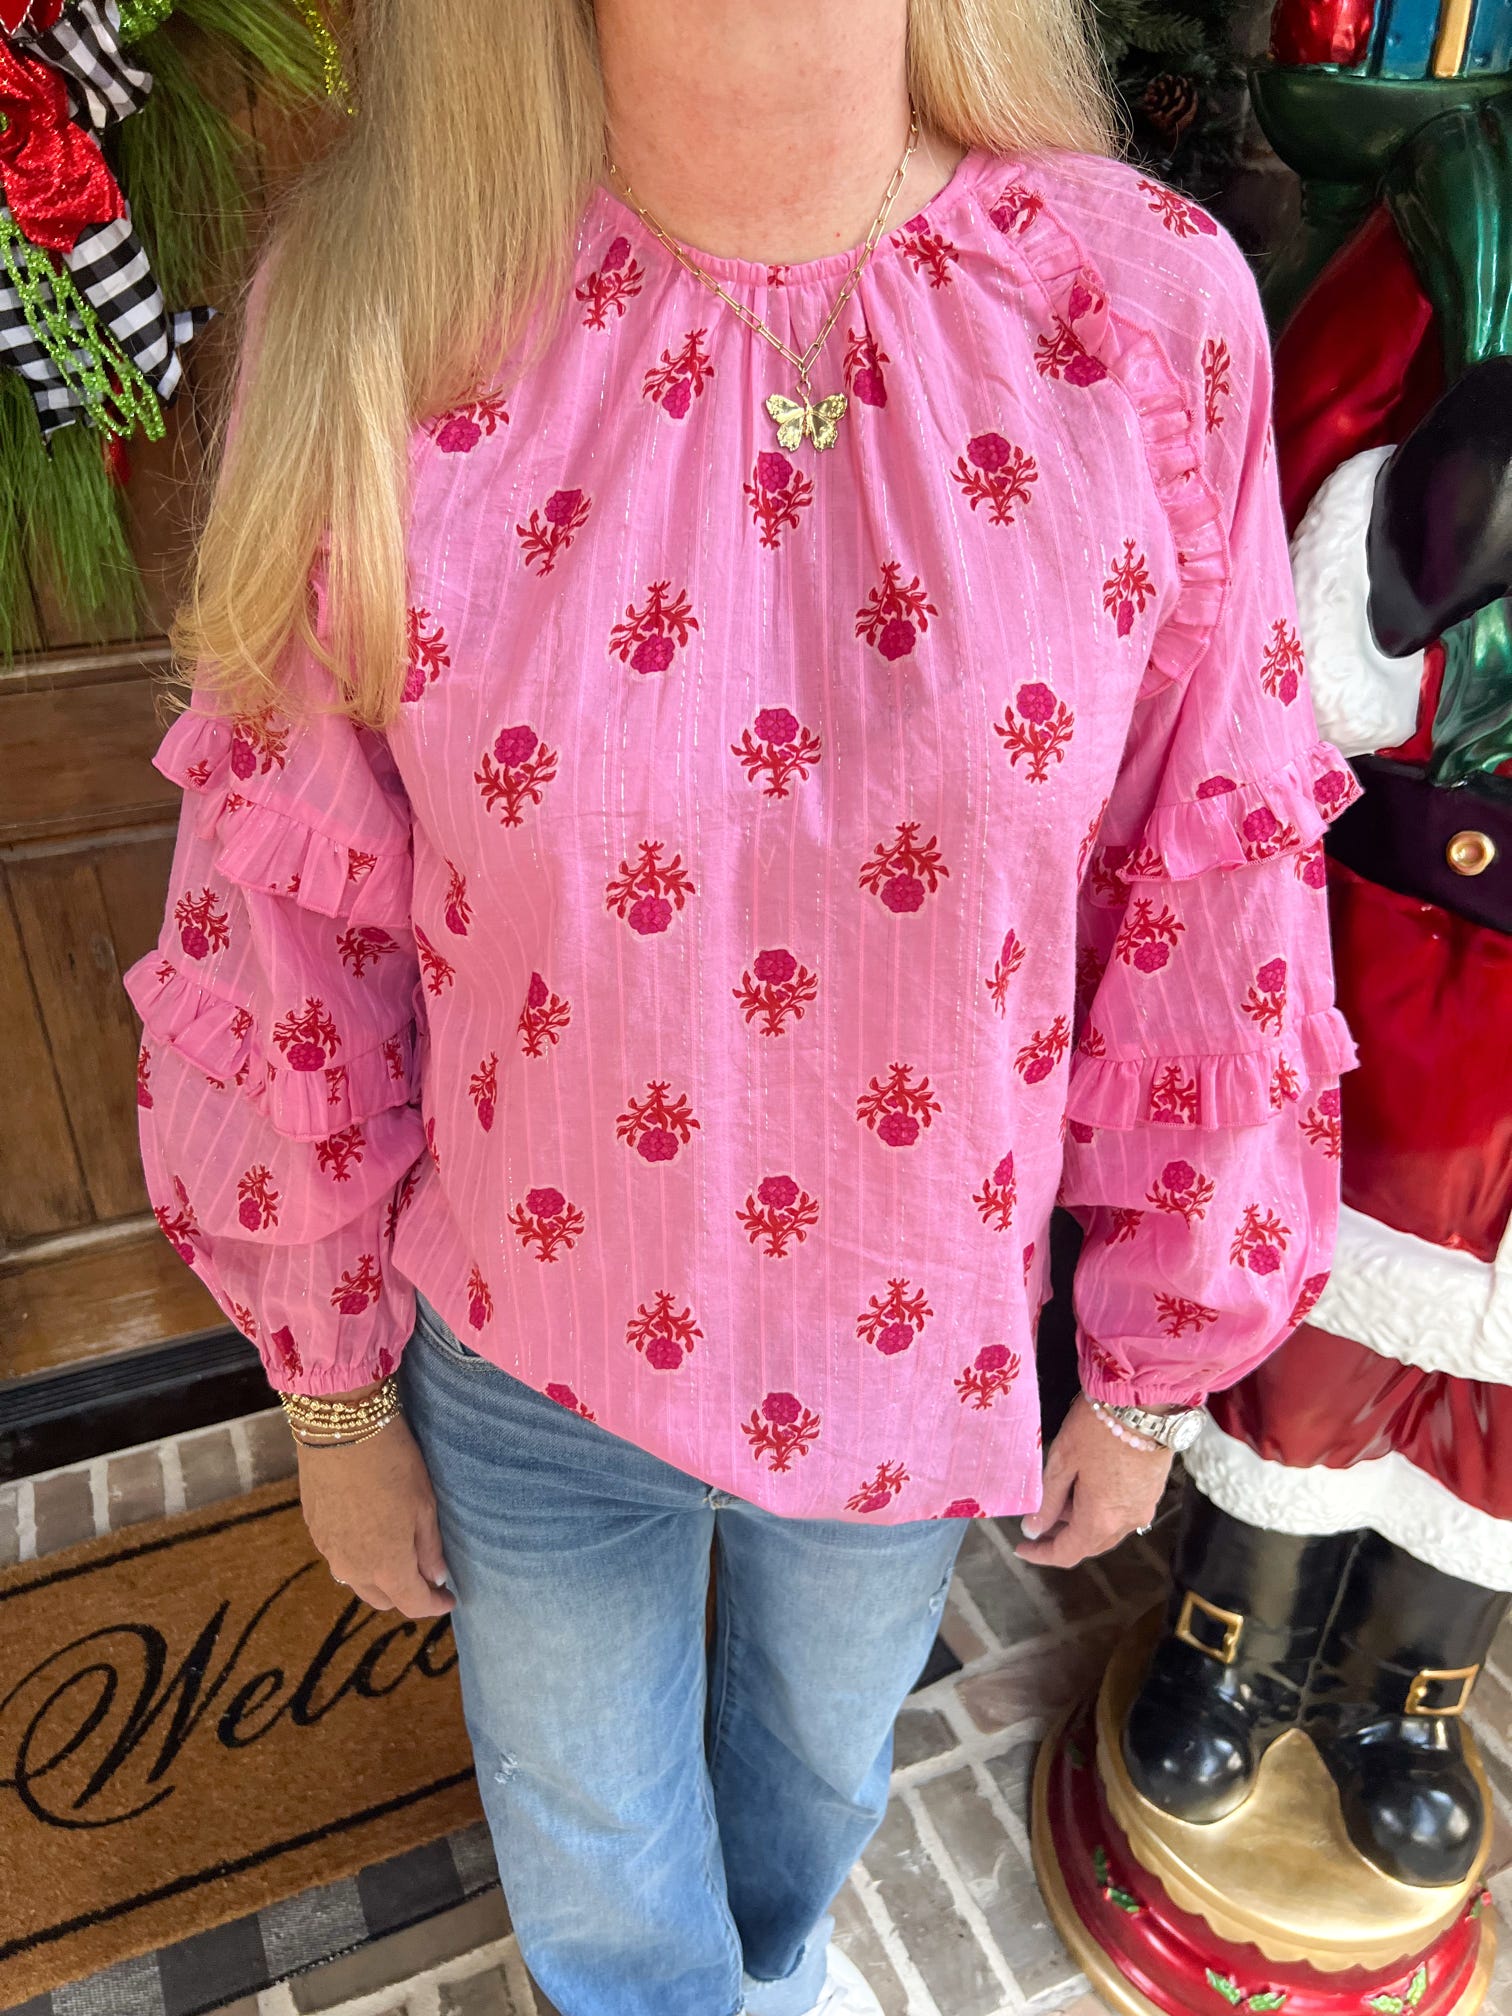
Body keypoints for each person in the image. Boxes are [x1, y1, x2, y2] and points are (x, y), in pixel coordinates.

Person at [127, 2, 1358, 2010]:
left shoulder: (1133, 319)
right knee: (606, 1882)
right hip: (521, 1345)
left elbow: (1205, 881)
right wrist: (330, 1386)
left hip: (908, 1342)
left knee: (804, 1821)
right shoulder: (381, 315)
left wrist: (1152, 1352)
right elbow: (292, 919)